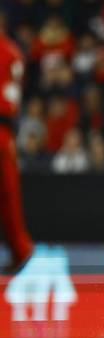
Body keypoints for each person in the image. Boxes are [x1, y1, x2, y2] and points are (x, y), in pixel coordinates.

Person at [0, 26, 33, 273]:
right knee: (9, 193)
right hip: (6, 128)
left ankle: (20, 249)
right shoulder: (13, 52)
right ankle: (20, 248)